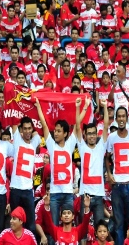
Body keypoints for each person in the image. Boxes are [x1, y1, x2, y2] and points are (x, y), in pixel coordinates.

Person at [35, 96, 82, 225]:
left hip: (68, 193)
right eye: (55, 131)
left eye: (59, 131)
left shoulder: (71, 144)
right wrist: (39, 106)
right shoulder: (51, 144)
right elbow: (44, 124)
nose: (55, 133)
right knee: (54, 227)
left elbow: (78, 125)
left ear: (66, 133)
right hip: (54, 194)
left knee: (69, 226)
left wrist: (78, 108)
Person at [105, 107, 129, 245]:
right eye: (119, 116)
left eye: (123, 116)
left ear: (127, 118)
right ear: (116, 119)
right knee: (118, 224)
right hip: (117, 185)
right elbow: (107, 157)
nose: (121, 119)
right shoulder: (111, 137)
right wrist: (109, 172)